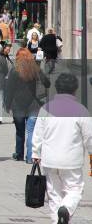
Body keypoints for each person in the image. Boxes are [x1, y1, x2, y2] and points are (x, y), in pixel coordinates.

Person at [32, 73, 92, 224]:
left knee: (53, 194)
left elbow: (38, 133)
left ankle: (57, 220)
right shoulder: (81, 110)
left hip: (49, 159)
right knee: (75, 189)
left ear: (57, 89)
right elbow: (89, 137)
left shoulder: (46, 108)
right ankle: (66, 208)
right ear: (75, 90)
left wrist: (35, 152)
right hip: (71, 160)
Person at [5, 48, 50, 163]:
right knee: (31, 131)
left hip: (18, 104)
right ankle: (30, 157)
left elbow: (9, 89)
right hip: (34, 103)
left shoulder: (15, 70)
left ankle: (19, 154)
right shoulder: (35, 69)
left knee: (20, 131)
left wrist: (7, 104)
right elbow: (47, 83)